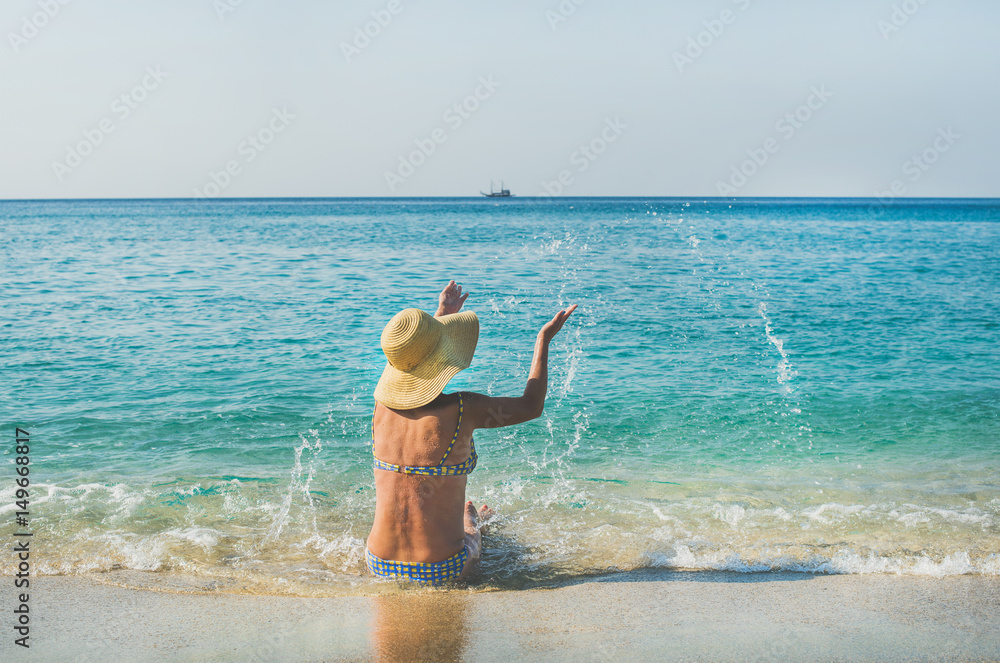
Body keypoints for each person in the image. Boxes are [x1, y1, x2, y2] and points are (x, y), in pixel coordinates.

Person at [365, 280, 578, 583]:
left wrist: (441, 313)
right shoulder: (463, 409)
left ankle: (472, 517)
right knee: (472, 531)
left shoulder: (380, 407)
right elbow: (531, 406)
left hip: (377, 561)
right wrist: (544, 339)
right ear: (443, 357)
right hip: (441, 568)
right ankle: (474, 520)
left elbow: (415, 361)